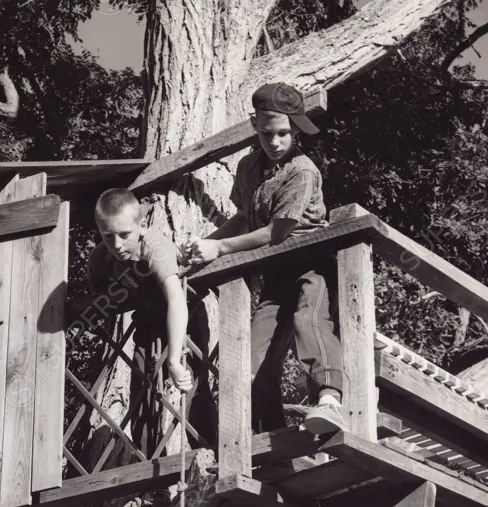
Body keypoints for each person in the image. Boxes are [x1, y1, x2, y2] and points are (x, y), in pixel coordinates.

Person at [182, 82, 346, 436]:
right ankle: (267, 434)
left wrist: (222, 249)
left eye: (284, 134)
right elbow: (243, 218)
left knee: (309, 320)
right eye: (268, 134)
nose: (275, 142)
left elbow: (277, 232)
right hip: (275, 275)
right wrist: (205, 246)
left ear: (295, 131)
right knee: (253, 353)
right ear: (255, 125)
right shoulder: (247, 168)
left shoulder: (302, 170)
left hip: (309, 262)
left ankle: (330, 399)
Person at [66, 188, 217, 458]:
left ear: (142, 225)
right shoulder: (100, 259)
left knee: (191, 387)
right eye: (107, 236)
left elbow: (175, 299)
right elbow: (104, 300)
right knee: (142, 390)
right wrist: (81, 319)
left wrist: (172, 358)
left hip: (185, 317)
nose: (117, 245)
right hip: (147, 316)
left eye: (125, 235)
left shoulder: (155, 248)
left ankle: (210, 456)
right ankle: (148, 469)